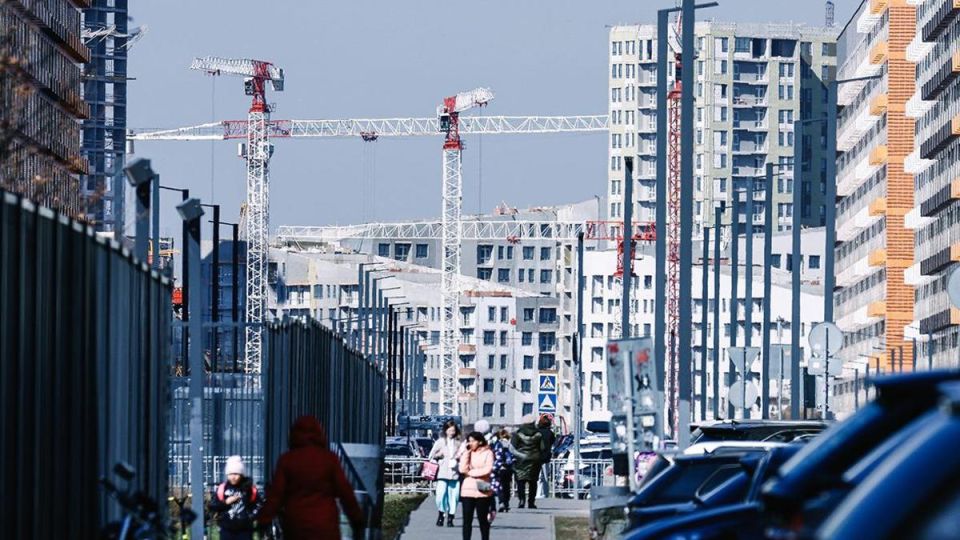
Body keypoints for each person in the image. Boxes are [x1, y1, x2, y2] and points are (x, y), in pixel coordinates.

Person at [257, 415, 364, 539]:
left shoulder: (287, 461)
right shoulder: (329, 459)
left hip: (296, 527)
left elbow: (275, 496)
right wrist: (357, 520)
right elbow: (345, 492)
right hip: (326, 526)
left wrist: (263, 520)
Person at [208, 456, 263, 540]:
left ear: (241, 474)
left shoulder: (249, 489)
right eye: (230, 474)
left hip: (245, 530)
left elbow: (259, 505)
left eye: (236, 474)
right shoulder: (222, 488)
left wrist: (250, 517)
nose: (233, 477)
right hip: (226, 529)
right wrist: (226, 502)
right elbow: (213, 506)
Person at [459, 431, 495, 540]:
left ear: (480, 441)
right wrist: (466, 452)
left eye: (473, 441)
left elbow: (487, 469)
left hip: (483, 488)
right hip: (468, 489)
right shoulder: (468, 452)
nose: (471, 443)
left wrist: (471, 473)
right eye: (469, 441)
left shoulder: (488, 453)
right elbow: (462, 469)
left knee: (483, 520)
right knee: (467, 520)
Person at [428, 419, 463, 527]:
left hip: (455, 473)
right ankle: (441, 514)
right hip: (442, 473)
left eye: (453, 430)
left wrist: (459, 460)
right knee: (440, 495)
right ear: (445, 430)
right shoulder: (440, 442)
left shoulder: (459, 443)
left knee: (454, 497)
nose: (451, 433)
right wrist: (439, 456)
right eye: (449, 430)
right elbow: (431, 456)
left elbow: (464, 455)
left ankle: (450, 517)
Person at [510, 414, 543, 509]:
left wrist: (520, 455)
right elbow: (542, 448)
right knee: (533, 482)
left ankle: (521, 500)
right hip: (535, 460)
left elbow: (512, 448)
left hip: (521, 460)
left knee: (520, 481)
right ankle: (531, 502)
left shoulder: (517, 434)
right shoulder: (538, 434)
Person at [491, 428, 515, 512]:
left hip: (499, 467)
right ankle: (506, 503)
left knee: (499, 486)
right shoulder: (509, 444)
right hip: (508, 468)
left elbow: (495, 454)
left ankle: (501, 502)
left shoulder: (497, 443)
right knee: (507, 486)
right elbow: (513, 454)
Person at [536, 414, 557, 499]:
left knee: (538, 477)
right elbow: (553, 443)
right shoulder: (550, 433)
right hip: (546, 457)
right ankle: (545, 493)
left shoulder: (536, 432)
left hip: (536, 457)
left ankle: (537, 493)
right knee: (545, 477)